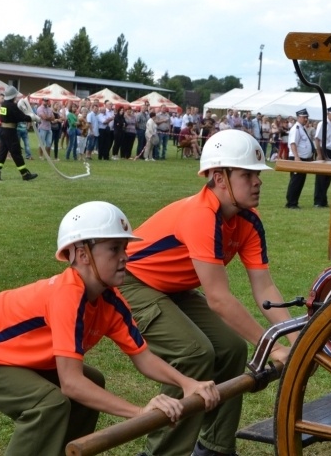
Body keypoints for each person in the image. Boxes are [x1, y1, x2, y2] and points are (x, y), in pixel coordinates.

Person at [0, 201, 220, 456]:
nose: (125, 257)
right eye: (113, 249)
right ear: (82, 255)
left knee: (91, 382)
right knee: (47, 405)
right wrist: (139, 413)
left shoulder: (111, 299)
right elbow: (70, 383)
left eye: (125, 248)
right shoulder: (67, 296)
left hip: (2, 349)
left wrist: (187, 384)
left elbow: (143, 357)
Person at [120, 130, 296, 456]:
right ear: (220, 177)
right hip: (130, 284)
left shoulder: (249, 220)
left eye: (257, 174)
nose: (257, 182)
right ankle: (161, 453)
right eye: (247, 174)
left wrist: (294, 337)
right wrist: (271, 347)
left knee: (230, 348)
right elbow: (218, 298)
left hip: (174, 288)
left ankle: (215, 448)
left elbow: (265, 287)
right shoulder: (202, 216)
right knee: (194, 353)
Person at [0, 86, 39, 181]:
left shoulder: (3, 105)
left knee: (2, 152)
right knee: (16, 152)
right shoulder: (12, 106)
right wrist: (32, 118)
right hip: (10, 131)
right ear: (13, 96)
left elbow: (4, 117)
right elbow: (21, 117)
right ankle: (25, 174)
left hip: (3, 130)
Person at [284, 108, 315, 209]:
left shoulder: (301, 128)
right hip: (297, 158)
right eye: (304, 117)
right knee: (296, 181)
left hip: (302, 158)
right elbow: (293, 143)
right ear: (298, 117)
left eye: (307, 117)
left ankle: (294, 201)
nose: (306, 119)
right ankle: (291, 203)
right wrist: (297, 157)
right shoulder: (296, 128)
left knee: (300, 181)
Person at [313, 105, 331, 208]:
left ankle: (323, 200)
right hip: (324, 151)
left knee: (328, 177)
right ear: (328, 113)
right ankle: (318, 201)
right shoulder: (323, 123)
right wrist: (319, 154)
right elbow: (317, 139)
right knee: (321, 177)